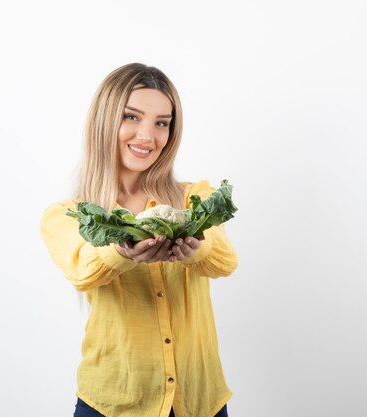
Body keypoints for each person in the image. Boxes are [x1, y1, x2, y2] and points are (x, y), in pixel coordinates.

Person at [40, 63, 238, 417]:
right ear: (105, 121)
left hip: (198, 402)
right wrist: (121, 250)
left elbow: (224, 261)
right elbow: (83, 270)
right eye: (131, 117)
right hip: (112, 404)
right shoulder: (70, 215)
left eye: (162, 122)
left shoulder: (195, 199)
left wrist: (196, 248)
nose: (148, 136)